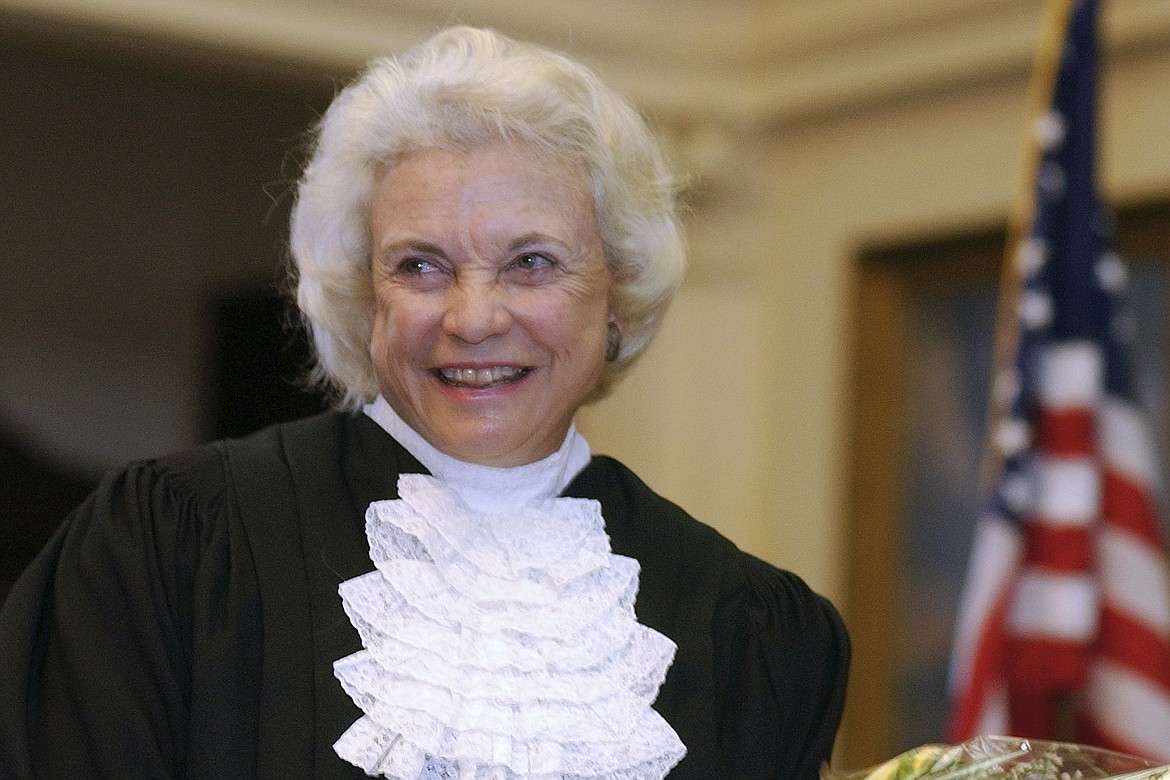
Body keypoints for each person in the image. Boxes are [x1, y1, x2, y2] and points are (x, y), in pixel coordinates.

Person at [0, 26, 849, 780]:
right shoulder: (171, 551)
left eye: (533, 262)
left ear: (618, 290)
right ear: (362, 297)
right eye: (419, 266)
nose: (474, 318)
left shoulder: (755, 635)